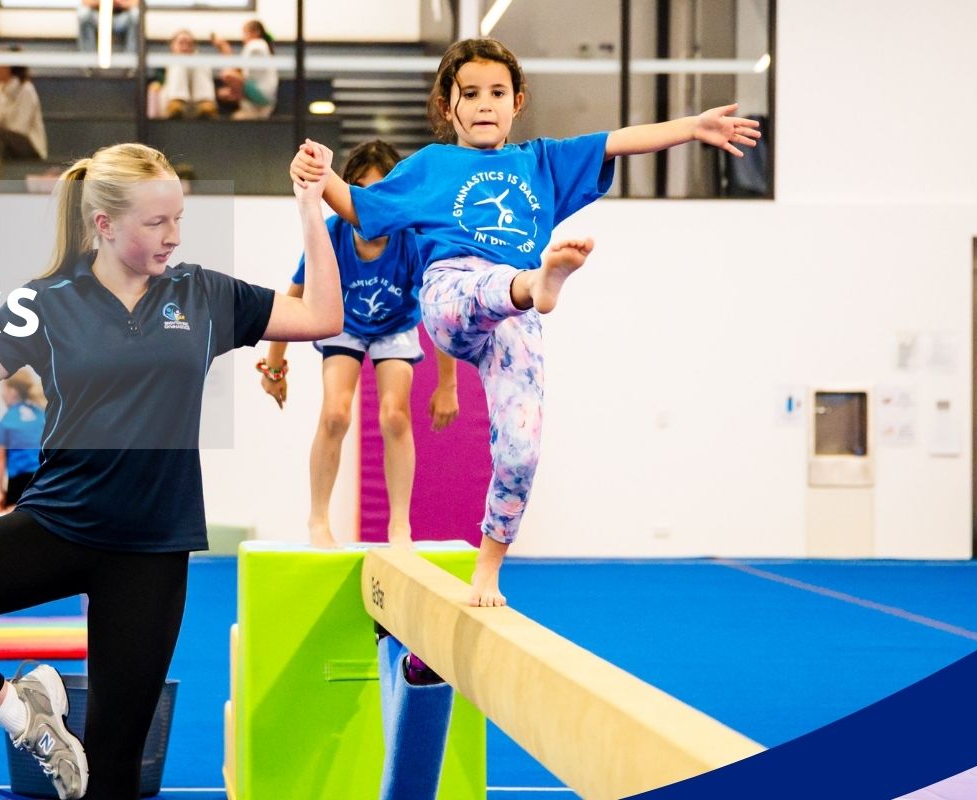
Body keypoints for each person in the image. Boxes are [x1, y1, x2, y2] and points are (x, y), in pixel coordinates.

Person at [0, 139, 342, 800]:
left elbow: (323, 316)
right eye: (156, 222)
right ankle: (22, 714)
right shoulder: (47, 301)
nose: (173, 235)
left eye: (178, 218)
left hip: (151, 551)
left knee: (114, 774)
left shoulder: (205, 294)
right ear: (104, 224)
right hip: (58, 526)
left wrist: (311, 208)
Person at [290, 37, 760, 606]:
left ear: (517, 102)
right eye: (470, 94)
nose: (484, 104)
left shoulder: (540, 162)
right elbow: (358, 207)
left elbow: (618, 139)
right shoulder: (432, 166)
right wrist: (320, 173)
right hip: (453, 292)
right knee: (490, 288)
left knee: (522, 446)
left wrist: (692, 127)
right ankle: (536, 283)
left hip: (515, 319)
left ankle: (488, 570)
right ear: (446, 105)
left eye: (497, 92)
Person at [259, 141, 459, 547]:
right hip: (344, 323)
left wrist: (448, 386)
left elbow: (438, 312)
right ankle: (318, 520)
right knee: (335, 413)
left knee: (394, 416)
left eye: (381, 193)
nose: (370, 206)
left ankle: (399, 525)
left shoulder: (410, 239)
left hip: (395, 326)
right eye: (361, 192)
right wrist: (274, 367)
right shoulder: (332, 234)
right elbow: (292, 299)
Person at [0, 61, 47, 183]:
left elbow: (20, 129)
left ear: (7, 67)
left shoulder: (26, 89)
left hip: (29, 145)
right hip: (5, 143)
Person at [0, 369, 45, 515]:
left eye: (3, 389)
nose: (2, 395)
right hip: (42, 479)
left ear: (13, 392)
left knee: (16, 520)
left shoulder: (7, 419)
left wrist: (0, 490)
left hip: (19, 481)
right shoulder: (41, 414)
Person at [212, 21, 278, 121]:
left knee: (227, 75)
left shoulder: (256, 45)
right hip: (260, 92)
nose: (243, 37)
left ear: (255, 32)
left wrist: (225, 49)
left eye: (245, 33)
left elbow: (239, 71)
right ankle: (249, 107)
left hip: (262, 94)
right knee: (223, 92)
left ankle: (254, 109)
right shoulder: (260, 46)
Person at [152, 30, 217, 120]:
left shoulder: (199, 64)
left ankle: (205, 104)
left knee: (201, 62)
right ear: (172, 45)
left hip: (195, 106)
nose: (185, 47)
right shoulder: (163, 64)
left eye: (189, 44)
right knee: (178, 62)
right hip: (168, 103)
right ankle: (176, 104)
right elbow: (158, 82)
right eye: (181, 43)